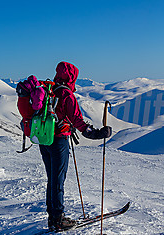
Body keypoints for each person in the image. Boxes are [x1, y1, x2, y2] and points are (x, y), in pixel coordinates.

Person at [41, 61, 112, 230]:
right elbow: (79, 122)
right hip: (58, 141)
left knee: (52, 179)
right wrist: (97, 134)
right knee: (58, 180)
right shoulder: (66, 95)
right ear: (71, 77)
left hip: (44, 139)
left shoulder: (48, 90)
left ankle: (53, 218)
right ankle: (58, 220)